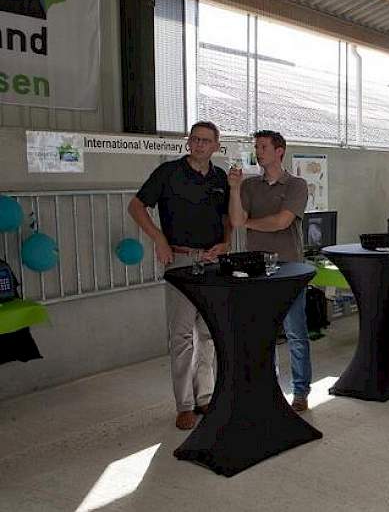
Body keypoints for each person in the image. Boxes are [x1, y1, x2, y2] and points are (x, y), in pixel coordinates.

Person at [128, 121, 230, 430]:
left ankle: (206, 397)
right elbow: (136, 206)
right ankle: (185, 404)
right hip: (181, 261)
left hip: (212, 262)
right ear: (188, 142)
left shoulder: (220, 177)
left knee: (209, 333)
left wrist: (225, 241)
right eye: (195, 139)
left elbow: (227, 216)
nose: (199, 145)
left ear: (215, 146)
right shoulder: (168, 173)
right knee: (183, 335)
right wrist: (158, 238)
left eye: (205, 141)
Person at [228, 130, 312, 412]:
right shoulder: (250, 187)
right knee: (263, 331)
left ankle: (300, 391)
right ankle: (269, 387)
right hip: (257, 267)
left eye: (263, 146)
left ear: (279, 151)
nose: (258, 151)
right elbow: (237, 220)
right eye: (256, 146)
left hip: (290, 267)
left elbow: (281, 222)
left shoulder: (297, 185)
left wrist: (250, 222)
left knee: (295, 332)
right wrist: (235, 188)